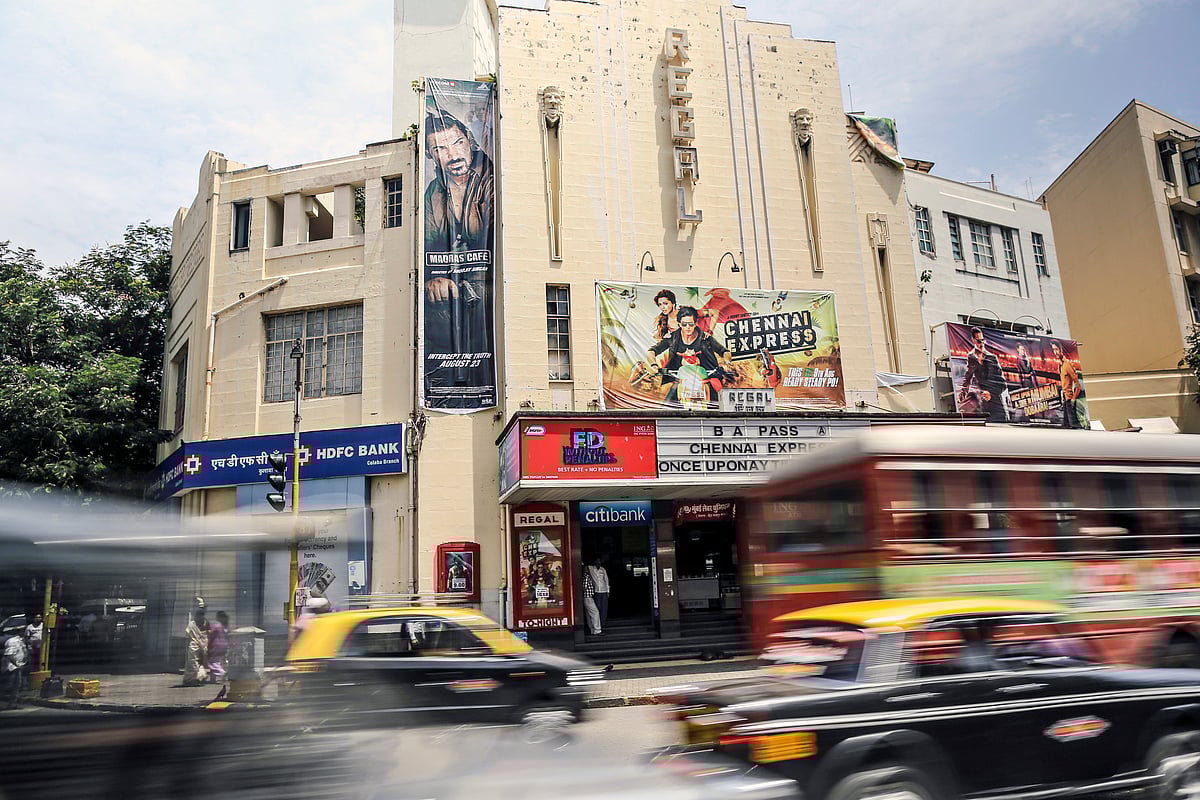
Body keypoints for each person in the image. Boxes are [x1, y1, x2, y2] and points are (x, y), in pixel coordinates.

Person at [423, 109, 495, 384]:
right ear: (432, 156)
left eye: (457, 143)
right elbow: (430, 245)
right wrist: (434, 278)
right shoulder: (434, 191)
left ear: (469, 139)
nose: (452, 155)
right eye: (440, 149)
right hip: (454, 283)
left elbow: (495, 239)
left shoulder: (491, 177)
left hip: (489, 281)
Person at [644, 306, 735, 407]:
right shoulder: (672, 338)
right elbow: (651, 351)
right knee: (667, 406)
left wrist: (727, 362)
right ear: (679, 324)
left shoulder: (705, 338)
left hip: (707, 377)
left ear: (696, 323)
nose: (688, 327)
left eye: (691, 324)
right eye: (684, 324)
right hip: (678, 379)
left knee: (720, 405)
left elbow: (725, 352)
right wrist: (653, 365)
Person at [958, 327, 1008, 422]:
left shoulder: (992, 357)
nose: (982, 343)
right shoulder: (971, 357)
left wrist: (991, 393)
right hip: (984, 405)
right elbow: (968, 377)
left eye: (983, 340)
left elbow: (1003, 383)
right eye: (979, 341)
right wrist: (963, 393)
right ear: (973, 340)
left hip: (997, 403)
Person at [1051, 340, 1085, 429]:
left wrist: (1073, 399)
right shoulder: (1061, 365)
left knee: (1074, 426)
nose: (1055, 352)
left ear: (1061, 349)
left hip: (1070, 400)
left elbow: (1078, 385)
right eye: (1053, 350)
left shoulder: (1067, 365)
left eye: (1056, 349)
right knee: (1065, 426)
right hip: (1066, 399)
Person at [183, 608, 208, 686]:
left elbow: (207, 633)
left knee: (201, 663)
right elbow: (187, 634)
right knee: (193, 663)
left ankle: (198, 678)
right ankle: (190, 680)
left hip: (203, 646)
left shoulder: (205, 623)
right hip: (194, 646)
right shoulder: (192, 624)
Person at [2, 632, 27, 708]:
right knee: (9, 686)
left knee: (16, 686)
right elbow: (9, 655)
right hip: (12, 668)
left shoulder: (21, 641)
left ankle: (12, 704)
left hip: (18, 667)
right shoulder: (12, 641)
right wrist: (17, 665)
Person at [586, 557, 611, 630]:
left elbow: (606, 580)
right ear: (594, 562)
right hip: (596, 591)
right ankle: (598, 623)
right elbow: (584, 566)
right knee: (598, 608)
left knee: (604, 608)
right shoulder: (591, 568)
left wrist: (608, 591)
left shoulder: (603, 569)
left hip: (604, 591)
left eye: (599, 561)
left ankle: (602, 623)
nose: (598, 562)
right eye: (597, 561)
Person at [207, 611, 230, 684]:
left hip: (215, 646)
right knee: (217, 661)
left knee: (212, 662)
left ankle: (222, 673)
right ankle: (212, 679)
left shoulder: (216, 626)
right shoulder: (225, 627)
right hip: (224, 646)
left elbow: (210, 635)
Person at [582, 567, 602, 636]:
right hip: (588, 597)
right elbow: (584, 587)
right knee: (595, 613)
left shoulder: (584, 576)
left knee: (589, 615)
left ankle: (592, 630)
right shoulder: (586, 576)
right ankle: (597, 630)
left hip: (586, 598)